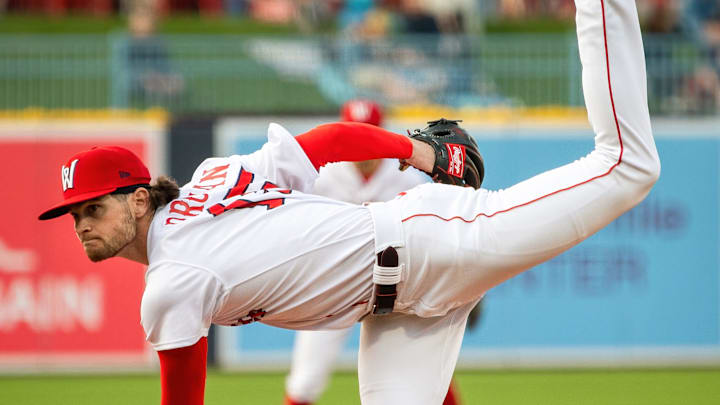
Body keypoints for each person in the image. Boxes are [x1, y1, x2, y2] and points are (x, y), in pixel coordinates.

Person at [38, 1, 660, 404]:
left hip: (427, 245)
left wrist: (425, 161)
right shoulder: (213, 177)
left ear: (140, 199)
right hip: (395, 313)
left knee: (627, 167)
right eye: (74, 212)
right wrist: (424, 154)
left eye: (94, 207)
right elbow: (332, 141)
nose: (81, 223)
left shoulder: (169, 283)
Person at [284, 99, 469, 405]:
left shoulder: (407, 176)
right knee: (304, 383)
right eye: (355, 132)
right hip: (333, 287)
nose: (361, 142)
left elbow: (434, 233)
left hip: (393, 290)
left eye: (368, 132)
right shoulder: (322, 177)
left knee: (426, 372)